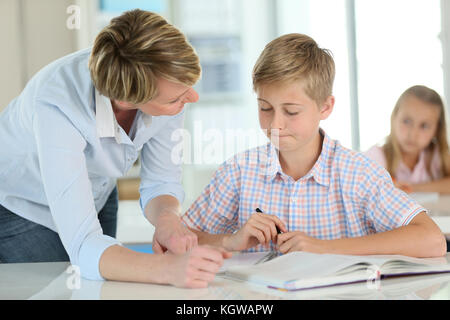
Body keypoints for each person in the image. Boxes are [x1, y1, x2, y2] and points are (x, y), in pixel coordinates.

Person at [0, 9, 230, 288]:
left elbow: (161, 182)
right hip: (24, 207)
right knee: (56, 292)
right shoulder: (57, 105)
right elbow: (84, 244)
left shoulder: (163, 83)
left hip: (99, 188)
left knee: (98, 289)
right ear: (126, 100)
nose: (192, 97)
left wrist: (168, 220)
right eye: (176, 99)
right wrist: (166, 270)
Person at [180, 33, 446, 258]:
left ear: (325, 107)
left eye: (291, 111)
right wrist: (229, 241)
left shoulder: (358, 174)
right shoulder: (238, 172)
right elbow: (176, 241)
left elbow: (432, 240)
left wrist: (324, 248)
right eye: (265, 108)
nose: (276, 124)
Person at [365, 85, 450, 194]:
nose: (413, 134)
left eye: (424, 126)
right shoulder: (376, 157)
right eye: (406, 121)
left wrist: (412, 188)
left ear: (436, 130)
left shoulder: (436, 156)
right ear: (394, 117)